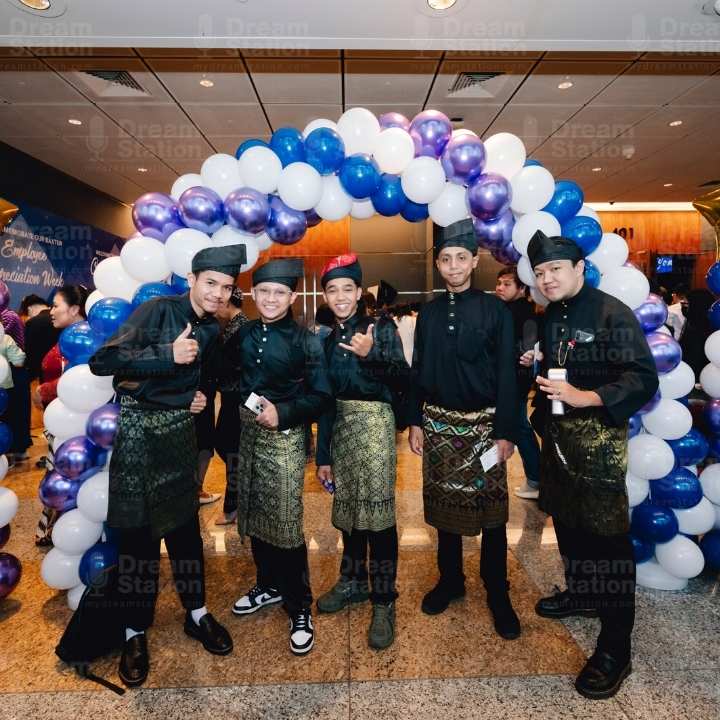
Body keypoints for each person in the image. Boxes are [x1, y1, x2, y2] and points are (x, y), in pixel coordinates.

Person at [88, 245, 245, 688]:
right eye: (210, 283)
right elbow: (103, 362)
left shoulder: (211, 328)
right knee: (138, 538)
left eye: (226, 287)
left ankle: (197, 614)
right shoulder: (158, 310)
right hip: (140, 436)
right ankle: (134, 632)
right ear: (191, 279)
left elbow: (193, 378)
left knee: (184, 531)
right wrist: (165, 355)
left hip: (179, 435)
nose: (217, 293)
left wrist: (192, 396)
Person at [524, 230, 658, 700]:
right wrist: (536, 361)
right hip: (559, 440)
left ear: (580, 268)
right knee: (567, 523)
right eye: (541, 272)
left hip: (598, 443)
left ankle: (615, 648)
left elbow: (642, 377)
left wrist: (589, 396)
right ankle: (582, 592)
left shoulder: (610, 312)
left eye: (556, 269)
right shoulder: (550, 315)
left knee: (607, 543)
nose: (547, 278)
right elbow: (562, 365)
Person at [406, 218, 520, 640]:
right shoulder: (429, 313)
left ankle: (497, 591)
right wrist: (415, 420)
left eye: (460, 258)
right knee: (445, 509)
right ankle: (450, 579)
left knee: (492, 514)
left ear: (474, 261)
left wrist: (506, 431)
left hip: (485, 428)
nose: (453, 266)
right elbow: (418, 369)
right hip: (438, 425)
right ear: (438, 264)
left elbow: (508, 374)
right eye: (445, 259)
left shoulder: (496, 311)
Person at [227, 258, 332, 657]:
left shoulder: (307, 340)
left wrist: (283, 412)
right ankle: (268, 584)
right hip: (249, 436)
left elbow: (321, 396)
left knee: (285, 521)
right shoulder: (244, 333)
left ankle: (299, 606)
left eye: (280, 293)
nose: (271, 299)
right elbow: (225, 374)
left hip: (286, 438)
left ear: (292, 297)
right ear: (254, 294)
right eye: (264, 292)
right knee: (255, 513)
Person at [314, 254, 409, 650]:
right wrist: (323, 456)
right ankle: (352, 580)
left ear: (358, 293)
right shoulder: (325, 338)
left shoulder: (381, 328)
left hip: (375, 427)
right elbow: (324, 400)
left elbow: (404, 379)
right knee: (349, 512)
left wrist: (373, 354)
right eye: (332, 290)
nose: (340, 297)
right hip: (340, 428)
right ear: (325, 295)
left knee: (378, 518)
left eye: (347, 289)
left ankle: (384, 599)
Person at [32, 285, 88, 545]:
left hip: (72, 423)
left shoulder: (81, 339)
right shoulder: (69, 336)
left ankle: (64, 529)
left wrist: (43, 390)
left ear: (74, 309)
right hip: (61, 420)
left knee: (64, 476)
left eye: (56, 306)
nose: (51, 311)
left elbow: (77, 379)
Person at [495, 266, 541, 500]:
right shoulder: (509, 309)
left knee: (521, 429)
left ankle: (536, 480)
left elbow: (526, 348)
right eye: (498, 283)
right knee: (520, 428)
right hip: (512, 380)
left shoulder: (522, 312)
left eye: (506, 284)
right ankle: (536, 479)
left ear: (522, 288)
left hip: (515, 381)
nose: (500, 288)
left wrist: (525, 356)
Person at [212, 287, 249, 526]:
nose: (216, 310)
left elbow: (238, 365)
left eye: (219, 304)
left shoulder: (242, 328)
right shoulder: (234, 326)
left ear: (227, 304)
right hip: (230, 396)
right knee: (227, 447)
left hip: (237, 398)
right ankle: (237, 501)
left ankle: (233, 506)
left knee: (231, 449)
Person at [0, 305, 31, 465]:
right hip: (6, 386)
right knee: (11, 418)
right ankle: (12, 454)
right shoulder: (6, 339)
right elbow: (19, 361)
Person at [21, 295, 60, 383]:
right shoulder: (61, 318)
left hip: (43, 372)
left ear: (29, 309)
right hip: (62, 368)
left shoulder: (32, 323)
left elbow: (29, 351)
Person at [679, 288, 714, 381]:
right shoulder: (695, 324)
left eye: (687, 304)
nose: (683, 308)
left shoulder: (696, 330)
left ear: (696, 306)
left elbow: (693, 361)